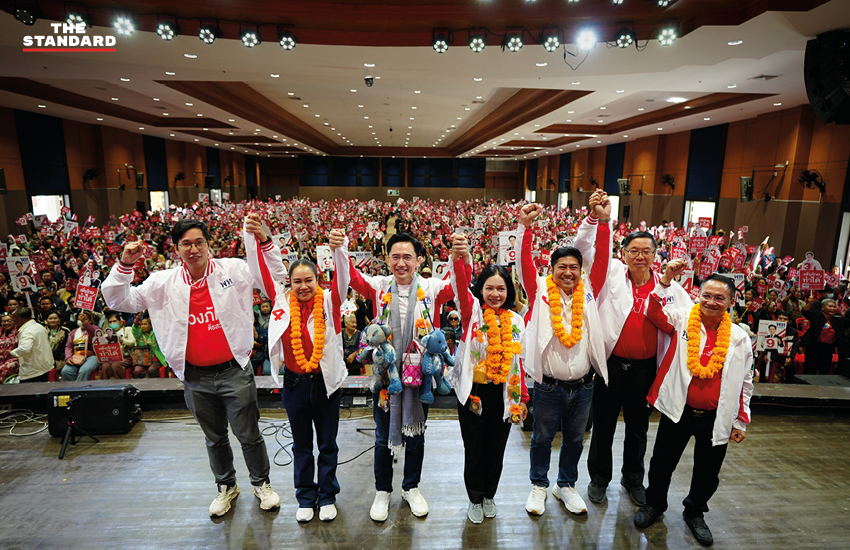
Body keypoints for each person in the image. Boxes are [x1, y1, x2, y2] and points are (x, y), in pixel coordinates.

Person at [102, 215, 283, 517]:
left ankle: (261, 482)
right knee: (214, 438)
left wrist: (264, 241)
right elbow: (119, 300)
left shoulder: (234, 269)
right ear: (176, 249)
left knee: (248, 434)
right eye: (186, 244)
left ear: (209, 245)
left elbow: (274, 277)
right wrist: (125, 265)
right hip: (195, 376)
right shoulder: (162, 282)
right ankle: (226, 486)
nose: (194, 249)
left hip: (234, 370)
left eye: (199, 242)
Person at [331, 229, 464, 522]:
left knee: (416, 436)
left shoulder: (431, 288)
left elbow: (457, 287)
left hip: (420, 378)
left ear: (418, 260)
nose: (401, 263)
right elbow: (352, 277)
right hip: (386, 378)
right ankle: (383, 491)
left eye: (407, 257)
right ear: (386, 259)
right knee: (381, 438)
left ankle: (411, 487)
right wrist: (340, 249)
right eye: (395, 257)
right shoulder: (379, 286)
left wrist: (458, 256)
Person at [573, 191, 693, 507]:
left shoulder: (671, 288)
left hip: (646, 369)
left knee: (638, 430)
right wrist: (595, 219)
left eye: (647, 251)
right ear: (623, 253)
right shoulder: (611, 272)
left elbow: (688, 323)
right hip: (611, 364)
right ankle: (599, 478)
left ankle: (632, 479)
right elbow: (582, 250)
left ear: (656, 255)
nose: (640, 256)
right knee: (603, 426)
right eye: (633, 250)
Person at [634, 269, 753, 547]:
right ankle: (654, 505)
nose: (712, 301)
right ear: (698, 296)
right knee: (662, 463)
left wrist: (740, 421)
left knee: (707, 472)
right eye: (707, 295)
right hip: (679, 411)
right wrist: (664, 281)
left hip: (716, 417)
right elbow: (653, 310)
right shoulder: (683, 319)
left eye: (719, 298)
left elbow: (746, 382)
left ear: (731, 302)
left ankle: (695, 512)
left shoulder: (739, 338)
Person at [516, 198, 611, 517]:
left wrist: (605, 224)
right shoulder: (540, 290)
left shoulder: (589, 290)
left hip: (584, 386)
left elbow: (603, 263)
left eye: (574, 267)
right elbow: (523, 262)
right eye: (562, 267)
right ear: (552, 270)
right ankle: (539, 485)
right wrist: (525, 228)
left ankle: (565, 485)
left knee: (574, 439)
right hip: (549, 387)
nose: (568, 272)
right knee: (542, 438)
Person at [246, 229, 347, 523]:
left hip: (326, 384)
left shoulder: (330, 301)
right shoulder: (280, 302)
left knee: (327, 444)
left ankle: (327, 495)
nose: (303, 286)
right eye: (297, 281)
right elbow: (265, 271)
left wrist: (339, 250)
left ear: (318, 281)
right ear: (289, 283)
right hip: (294, 384)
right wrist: (262, 240)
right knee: (301, 444)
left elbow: (344, 279)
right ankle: (305, 495)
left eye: (309, 280)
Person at [448, 233, 528, 524]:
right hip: (474, 393)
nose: (495, 294)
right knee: (474, 447)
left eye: (501, 288)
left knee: (497, 448)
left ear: (509, 291)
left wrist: (521, 399)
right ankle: (474, 497)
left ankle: (490, 494)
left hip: (503, 395)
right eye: (489, 288)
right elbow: (459, 284)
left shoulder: (517, 321)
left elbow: (519, 364)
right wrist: (462, 257)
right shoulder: (472, 314)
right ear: (480, 290)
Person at [801, 296, 846, 376]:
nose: (833, 308)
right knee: (810, 370)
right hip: (813, 347)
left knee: (824, 371)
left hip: (828, 349)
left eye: (834, 306)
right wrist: (810, 303)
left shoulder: (838, 319)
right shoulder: (817, 315)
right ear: (823, 308)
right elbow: (805, 312)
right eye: (830, 306)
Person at [9, 307, 53, 383]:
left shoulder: (27, 331)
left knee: (29, 393)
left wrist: (12, 353)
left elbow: (25, 349)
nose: (12, 321)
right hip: (44, 366)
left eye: (14, 319)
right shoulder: (39, 326)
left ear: (19, 319)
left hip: (33, 371)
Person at [61, 311, 100, 381]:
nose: (81, 321)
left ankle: (80, 389)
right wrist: (68, 358)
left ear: (90, 320)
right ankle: (72, 389)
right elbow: (68, 346)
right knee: (66, 371)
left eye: (85, 319)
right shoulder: (73, 332)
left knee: (84, 370)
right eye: (80, 320)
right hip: (76, 357)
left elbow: (93, 334)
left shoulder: (96, 329)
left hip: (92, 357)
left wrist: (85, 323)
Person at [0, 314, 20, 382]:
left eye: (9, 321)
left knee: (4, 368)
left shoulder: (19, 331)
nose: (6, 323)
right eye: (4, 321)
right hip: (1, 357)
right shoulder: (0, 331)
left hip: (15, 357)